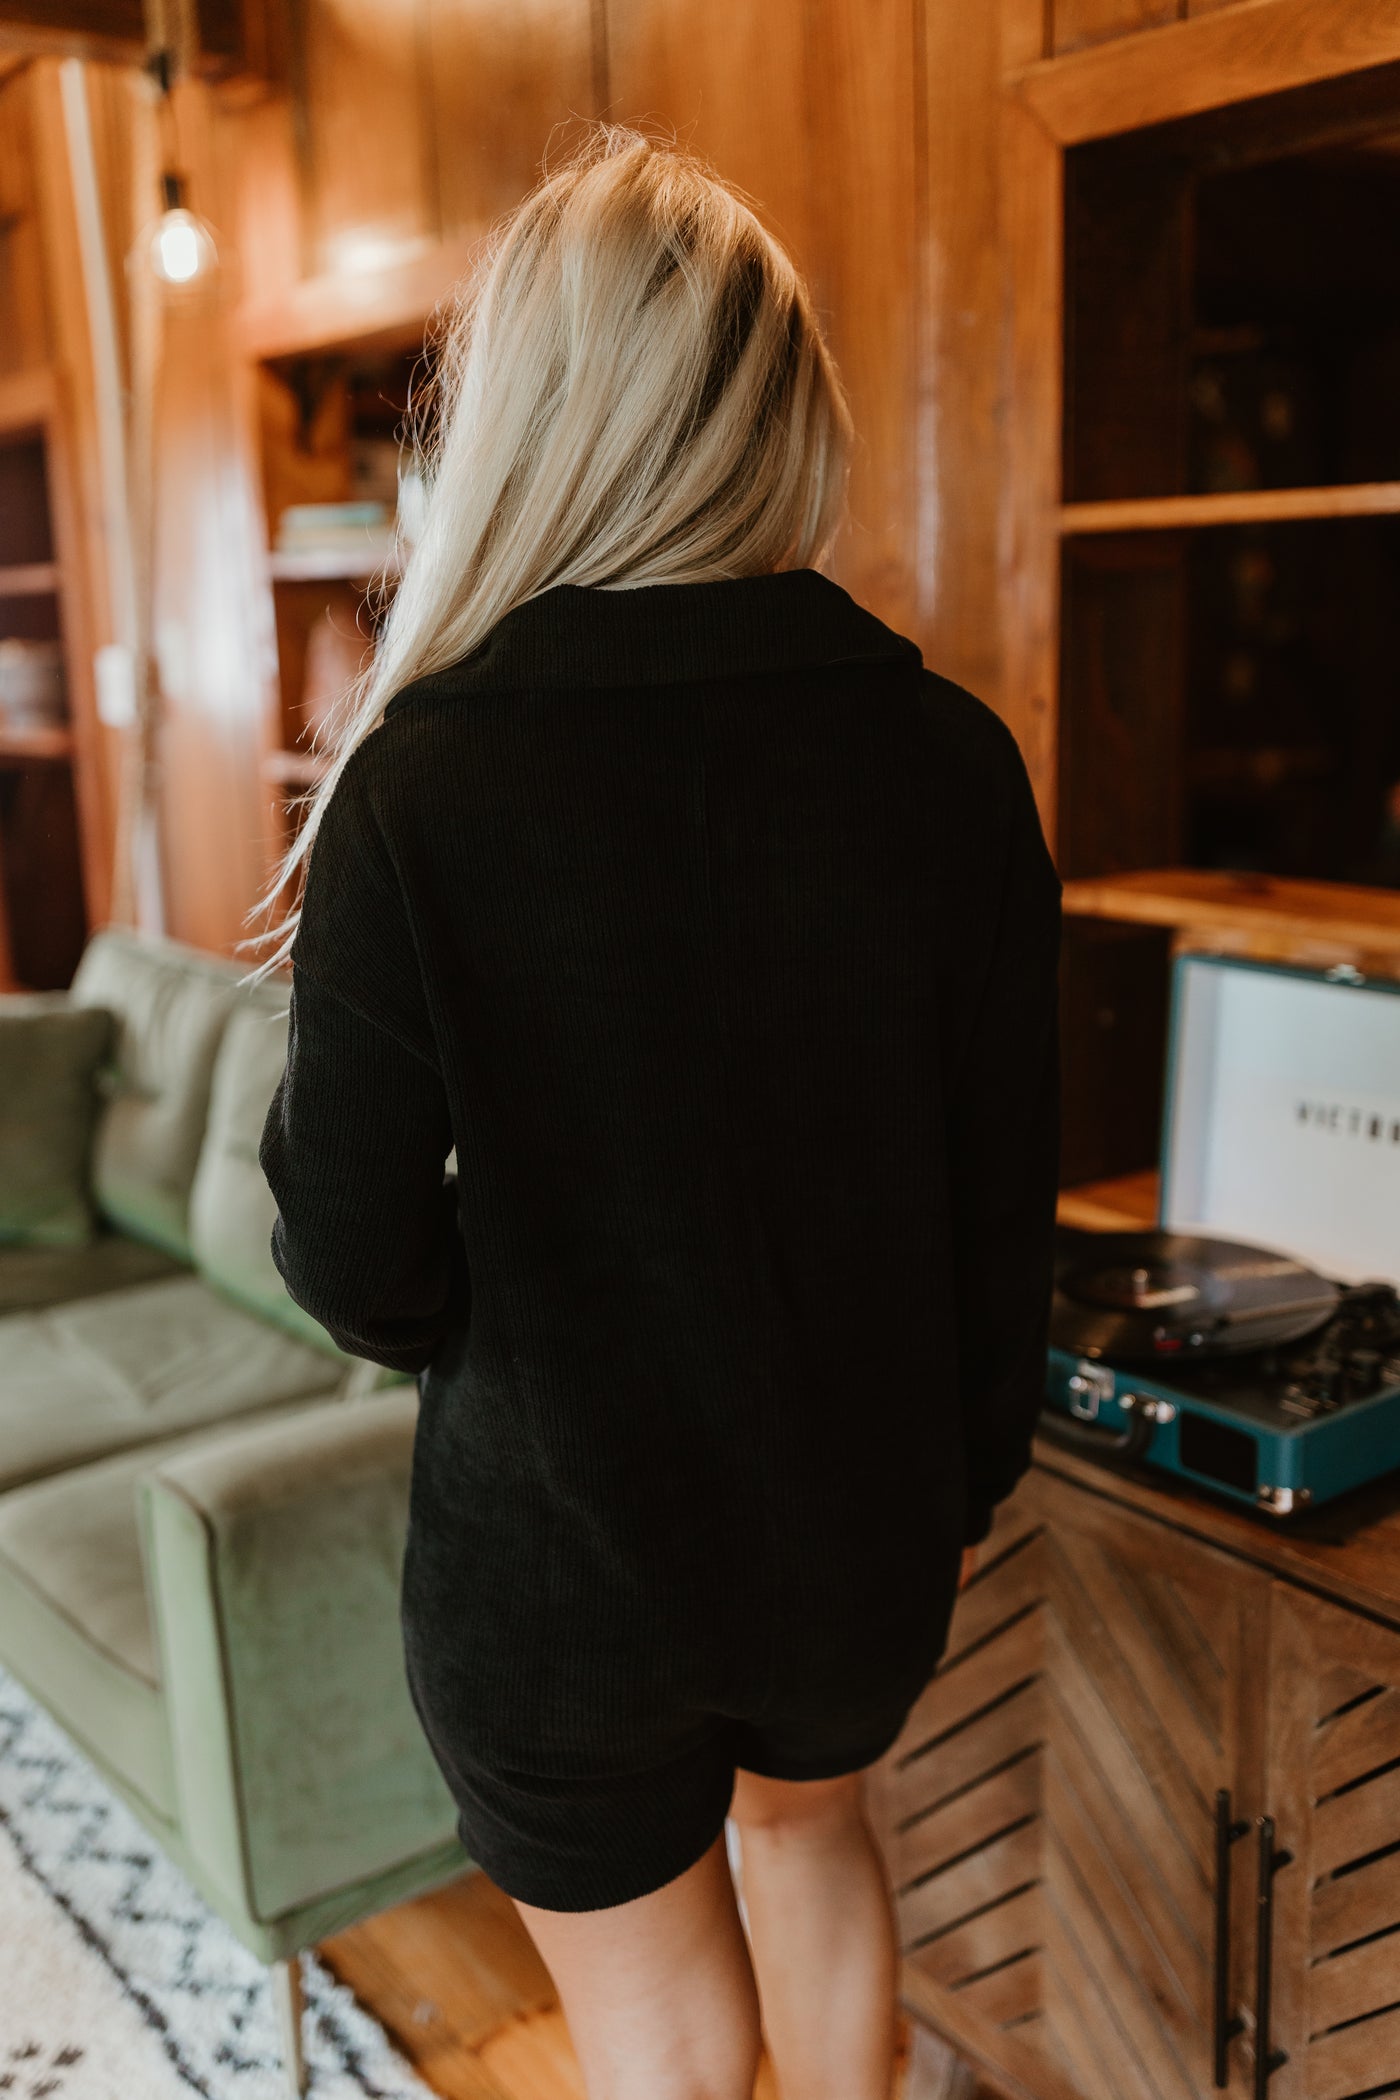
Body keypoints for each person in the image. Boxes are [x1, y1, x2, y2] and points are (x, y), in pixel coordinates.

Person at [247, 126, 1061, 2100]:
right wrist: (938, 1488)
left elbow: (352, 1264)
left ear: (531, 409)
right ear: (783, 412)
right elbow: (996, 1214)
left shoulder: (419, 787)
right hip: (853, 1536)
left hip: (555, 1567)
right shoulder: (951, 764)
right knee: (817, 1844)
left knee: (653, 2033)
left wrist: (517, 1324)